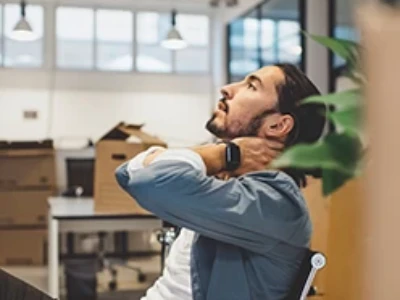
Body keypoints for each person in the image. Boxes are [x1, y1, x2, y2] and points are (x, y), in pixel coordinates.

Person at [115, 63, 328, 300]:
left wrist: (226, 154)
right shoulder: (229, 181)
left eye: (251, 86)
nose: (227, 89)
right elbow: (127, 172)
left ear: (278, 125)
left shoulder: (273, 202)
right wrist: (225, 156)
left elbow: (144, 181)